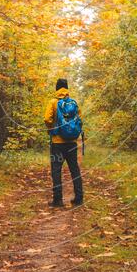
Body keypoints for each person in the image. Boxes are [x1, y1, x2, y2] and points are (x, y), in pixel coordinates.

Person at [43, 78, 84, 208]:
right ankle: (79, 198)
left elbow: (47, 118)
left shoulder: (53, 102)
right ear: (67, 88)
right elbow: (80, 119)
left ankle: (58, 200)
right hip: (71, 142)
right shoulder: (73, 103)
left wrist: (52, 128)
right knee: (74, 170)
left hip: (57, 143)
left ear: (56, 88)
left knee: (56, 170)